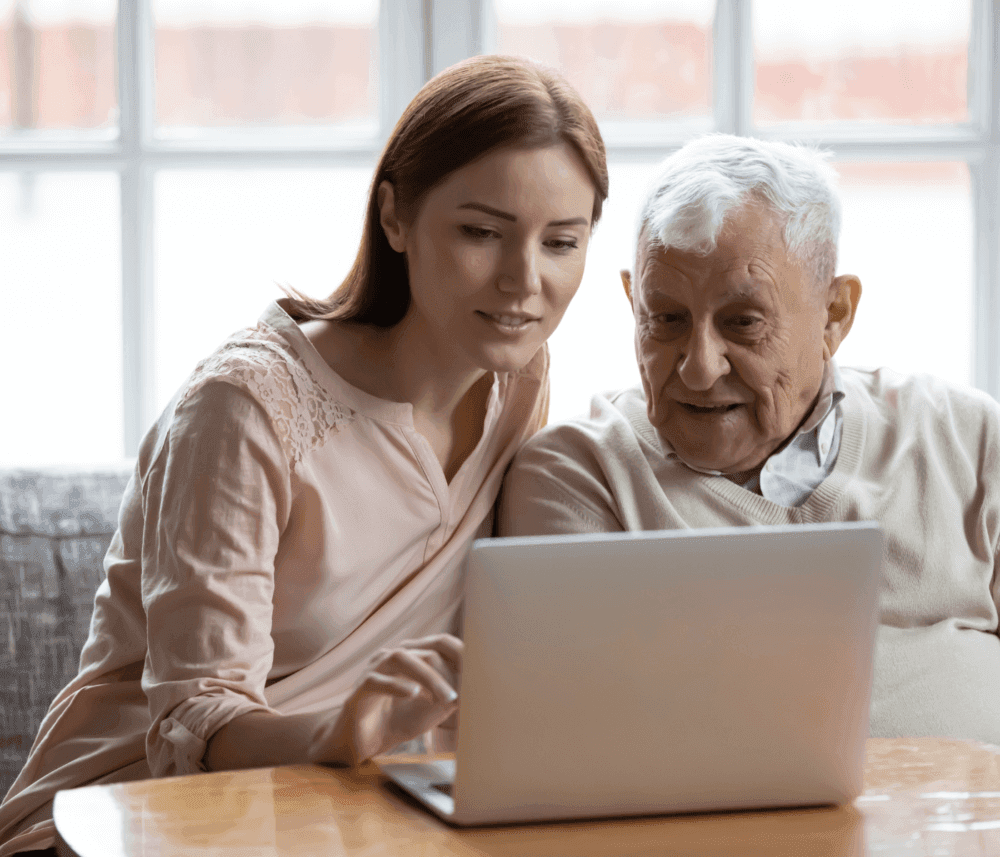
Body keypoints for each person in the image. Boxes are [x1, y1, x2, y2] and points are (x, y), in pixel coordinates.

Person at [0, 55, 608, 856]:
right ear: (395, 218)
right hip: (125, 818)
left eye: (561, 242)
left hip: (338, 816)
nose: (523, 281)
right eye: (481, 233)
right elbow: (194, 721)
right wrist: (339, 731)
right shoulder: (244, 408)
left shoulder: (518, 382)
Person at [498, 133, 1000, 746]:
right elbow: (587, 735)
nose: (699, 368)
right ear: (634, 303)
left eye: (743, 323)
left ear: (834, 315)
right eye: (667, 319)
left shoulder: (969, 438)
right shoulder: (579, 475)